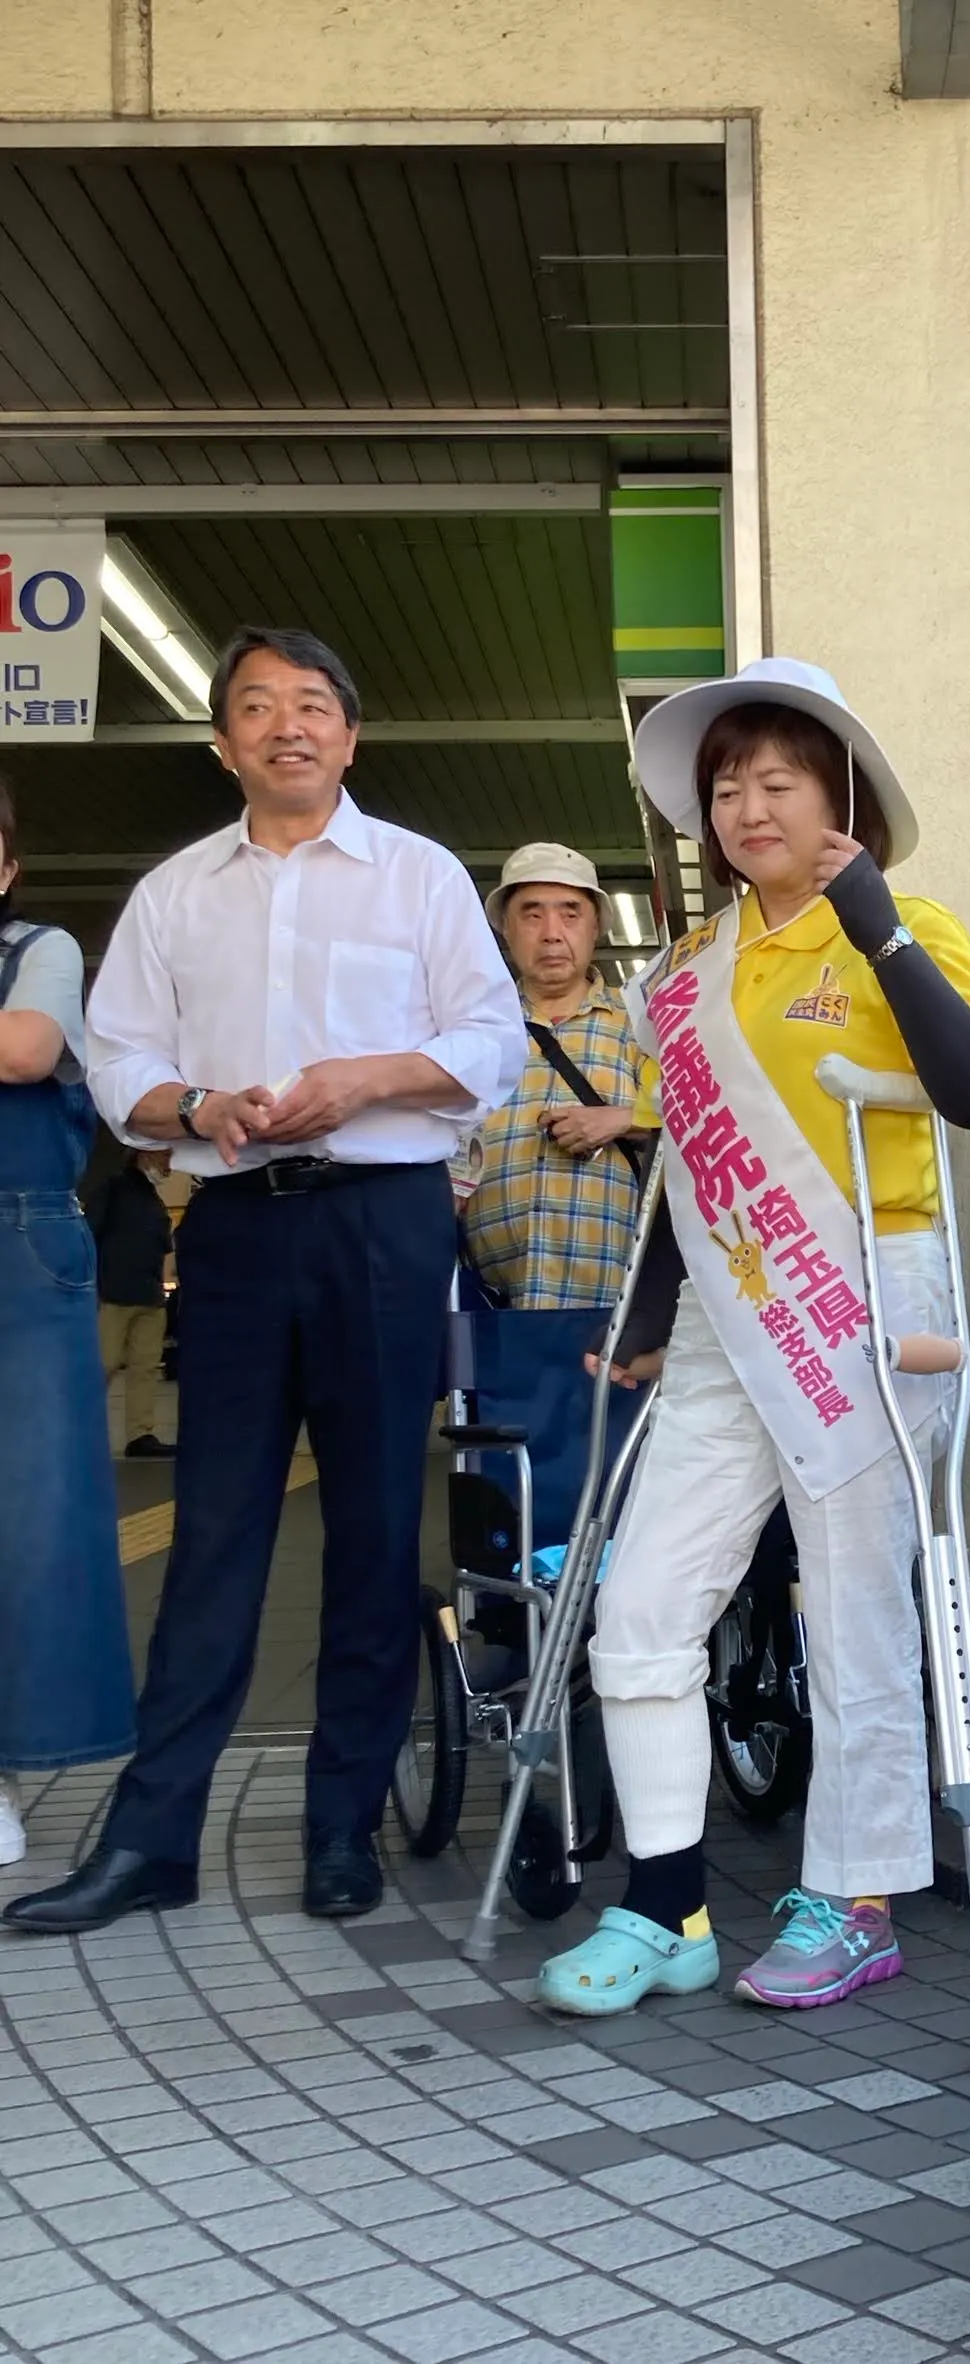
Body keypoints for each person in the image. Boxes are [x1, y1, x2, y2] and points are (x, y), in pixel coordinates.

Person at [3, 626, 526, 1937]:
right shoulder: (179, 892)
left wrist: (365, 1078)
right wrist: (198, 1102)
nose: (284, 725)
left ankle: (340, 1830)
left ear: (349, 735)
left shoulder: (416, 878)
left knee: (364, 1525)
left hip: (386, 1219)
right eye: (254, 707)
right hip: (234, 1225)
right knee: (215, 1533)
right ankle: (152, 1839)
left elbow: (489, 1039)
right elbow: (119, 1062)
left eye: (310, 704)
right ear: (224, 742)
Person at [535, 656, 970, 2016]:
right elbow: (688, 1170)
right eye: (727, 785)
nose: (747, 806)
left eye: (777, 780)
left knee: (855, 1611)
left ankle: (853, 1897)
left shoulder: (906, 921)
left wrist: (873, 922)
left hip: (867, 1303)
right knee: (640, 1612)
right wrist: (638, 1321)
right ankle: (664, 1901)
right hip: (716, 1322)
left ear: (837, 798)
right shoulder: (685, 971)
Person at [0, 779, 136, 1870]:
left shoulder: (41, 948)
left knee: (28, 1515)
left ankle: (5, 1768)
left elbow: (26, 1051)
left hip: (21, 1246)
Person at [462, 845, 649, 1545]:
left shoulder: (640, 1027)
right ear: (505, 931)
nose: (550, 932)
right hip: (498, 1304)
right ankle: (521, 1625)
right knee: (513, 1480)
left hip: (614, 1300)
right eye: (530, 913)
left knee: (612, 1470)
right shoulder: (474, 1033)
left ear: (594, 926)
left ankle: (610, 1621)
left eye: (569, 913)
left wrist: (622, 1117)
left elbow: (703, 1128)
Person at [87, 1147, 177, 1458]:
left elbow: (164, 1247)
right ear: (144, 1154)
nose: (168, 1164)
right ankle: (76, 1428)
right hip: (113, 1294)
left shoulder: (154, 1200)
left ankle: (141, 1435)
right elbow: (89, 1233)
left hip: (149, 1297)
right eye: (164, 1156)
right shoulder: (114, 1189)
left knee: (145, 1368)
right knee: (104, 1364)